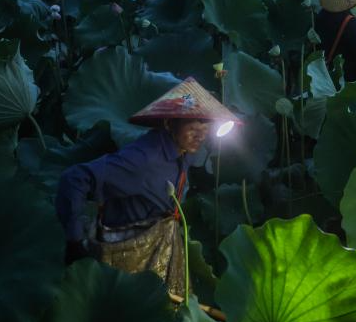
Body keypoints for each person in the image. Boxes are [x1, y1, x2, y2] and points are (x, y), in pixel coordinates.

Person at [55, 76, 241, 295]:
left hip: (161, 248)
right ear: (169, 123)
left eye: (206, 123)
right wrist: (75, 242)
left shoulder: (184, 152)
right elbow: (74, 178)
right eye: (194, 123)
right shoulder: (144, 158)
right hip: (125, 256)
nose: (201, 133)